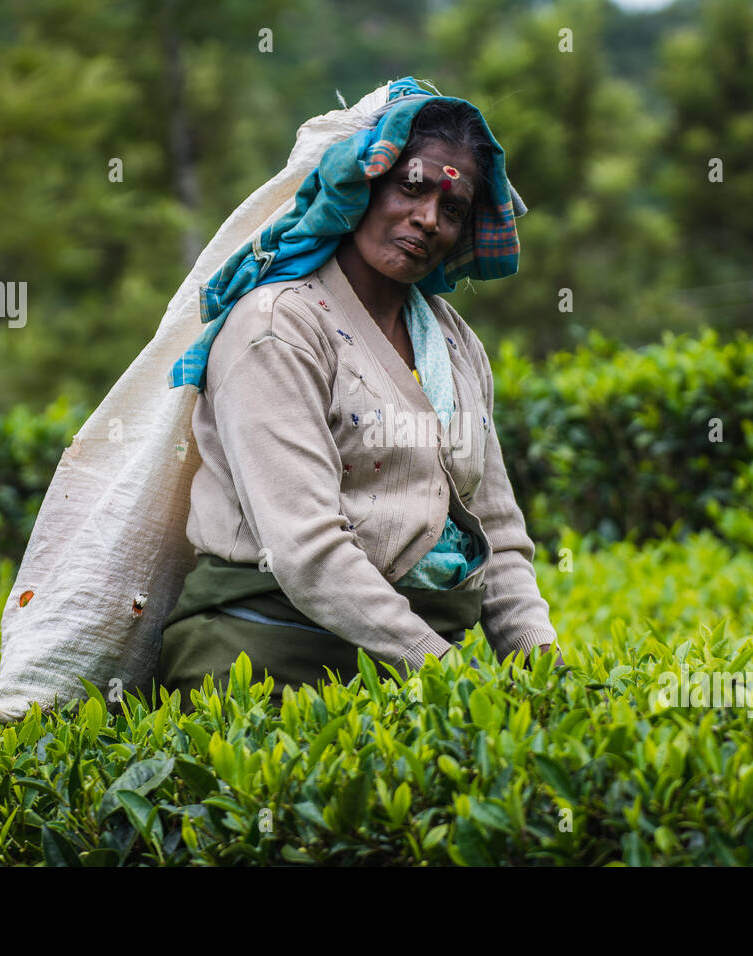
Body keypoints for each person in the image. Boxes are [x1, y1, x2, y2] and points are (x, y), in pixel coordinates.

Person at [148, 79, 562, 709]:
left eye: (452, 208)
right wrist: (449, 675)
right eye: (413, 186)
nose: (428, 219)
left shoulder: (455, 347)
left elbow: (495, 530)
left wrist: (541, 664)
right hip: (264, 666)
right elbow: (308, 550)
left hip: (403, 668)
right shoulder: (278, 327)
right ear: (360, 184)